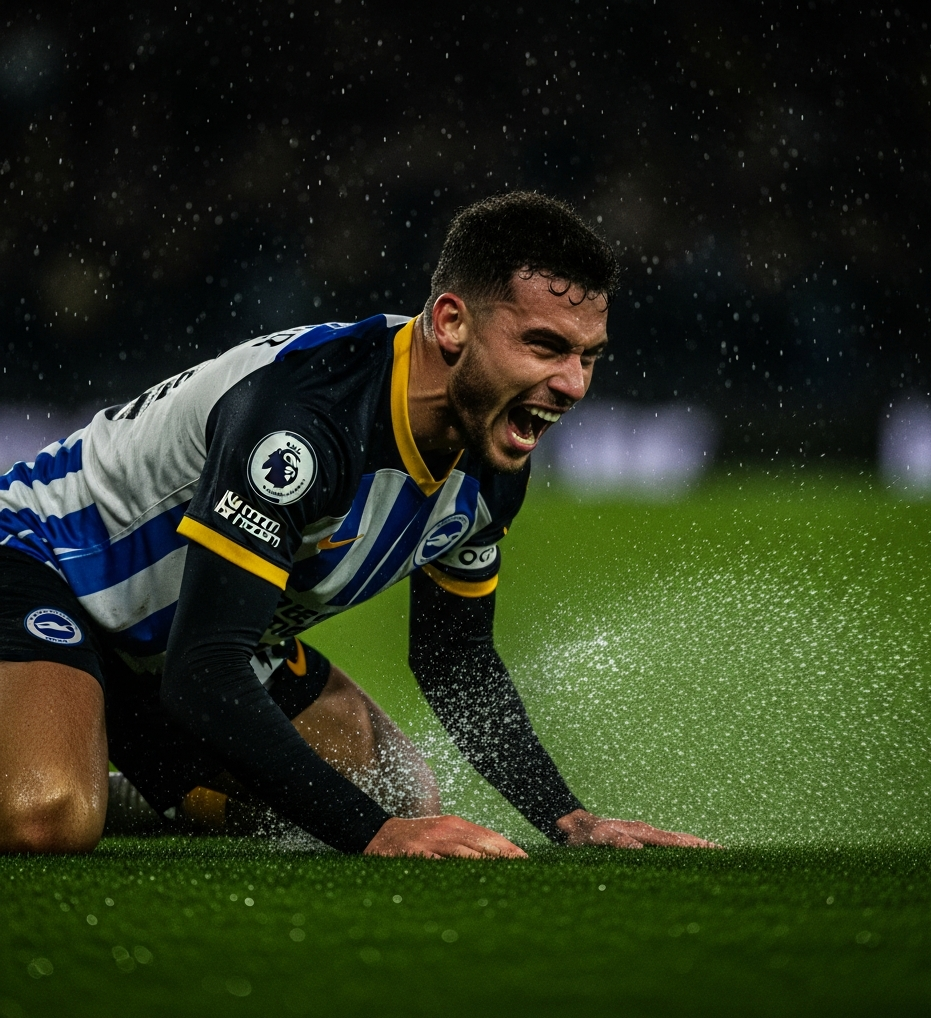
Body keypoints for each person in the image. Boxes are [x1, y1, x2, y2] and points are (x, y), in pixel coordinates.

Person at [0, 192, 715, 857]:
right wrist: (375, 835)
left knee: (398, 788)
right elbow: (205, 673)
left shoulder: (496, 455)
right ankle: (72, 753)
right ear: (451, 322)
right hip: (44, 565)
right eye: (544, 346)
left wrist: (569, 818)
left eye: (589, 356)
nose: (573, 385)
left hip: (177, 641)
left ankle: (108, 759)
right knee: (46, 817)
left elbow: (454, 661)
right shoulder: (306, 422)